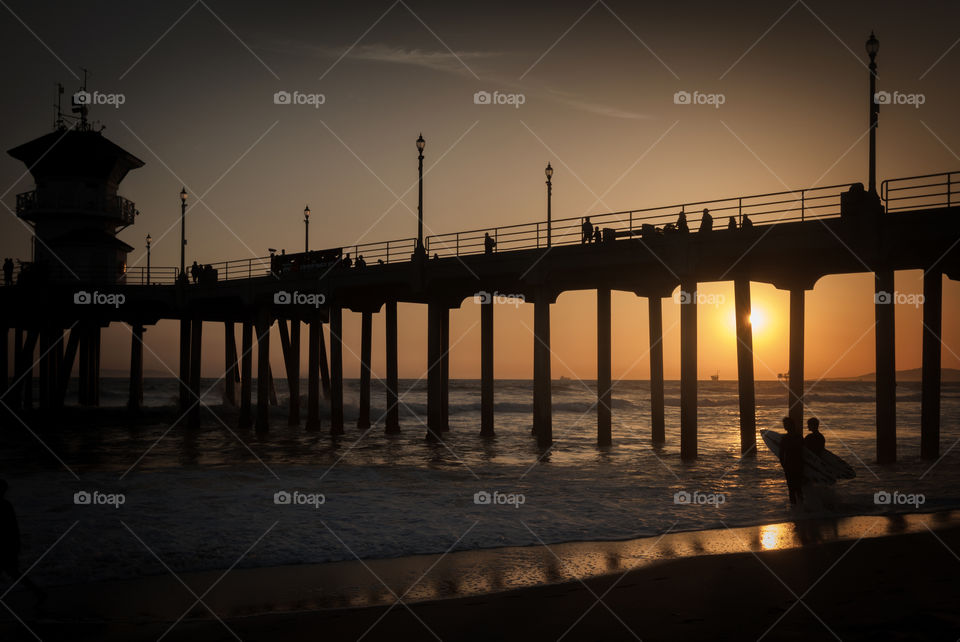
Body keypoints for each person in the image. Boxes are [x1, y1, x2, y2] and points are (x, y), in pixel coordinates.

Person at [0, 480, 46, 604]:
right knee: (14, 572)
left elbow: (11, 528)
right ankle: (38, 592)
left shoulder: (5, 506)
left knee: (13, 572)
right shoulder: (6, 505)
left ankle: (38, 592)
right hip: (9, 545)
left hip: (5, 546)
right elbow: (14, 528)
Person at [779, 417, 805, 505]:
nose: (784, 426)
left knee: (792, 489)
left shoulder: (785, 438)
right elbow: (804, 452)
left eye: (785, 424)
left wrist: (784, 466)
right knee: (798, 488)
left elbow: (781, 454)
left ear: (789, 425)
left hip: (790, 466)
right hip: (799, 465)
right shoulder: (799, 437)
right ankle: (801, 508)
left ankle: (795, 509)